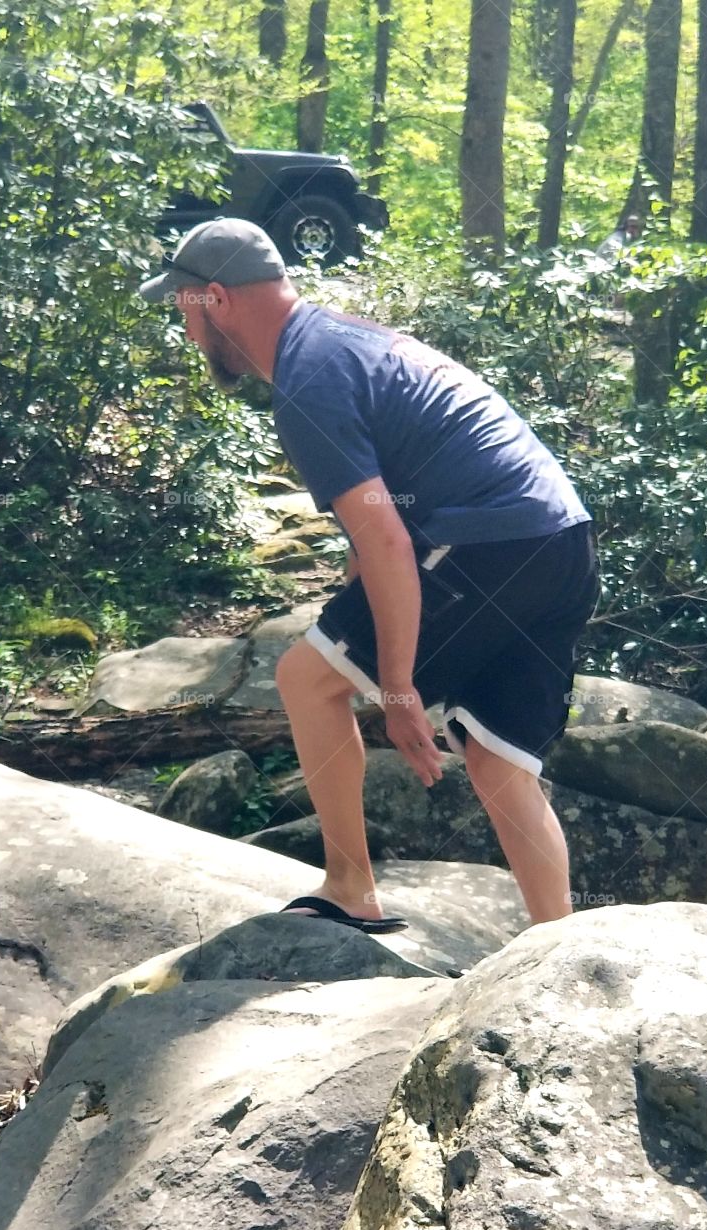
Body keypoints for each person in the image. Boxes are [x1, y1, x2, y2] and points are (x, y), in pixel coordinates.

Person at [140, 218, 601, 935]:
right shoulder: (338, 340)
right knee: (496, 759)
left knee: (305, 678)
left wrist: (396, 688)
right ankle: (557, 946)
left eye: (183, 308)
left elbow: (386, 539)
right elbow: (374, 530)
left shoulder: (306, 379)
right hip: (562, 541)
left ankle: (351, 886)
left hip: (491, 542)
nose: (184, 328)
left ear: (218, 300)